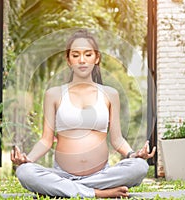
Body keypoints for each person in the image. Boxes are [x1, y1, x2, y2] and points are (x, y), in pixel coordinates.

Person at [11, 29, 156, 198]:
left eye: (88, 54)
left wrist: (133, 154)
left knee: (139, 167)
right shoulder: (54, 94)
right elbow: (46, 140)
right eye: (75, 55)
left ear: (97, 58)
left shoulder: (110, 94)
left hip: (101, 175)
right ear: (68, 60)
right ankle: (98, 193)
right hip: (62, 174)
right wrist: (27, 159)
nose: (82, 60)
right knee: (25, 172)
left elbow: (117, 140)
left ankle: (65, 190)